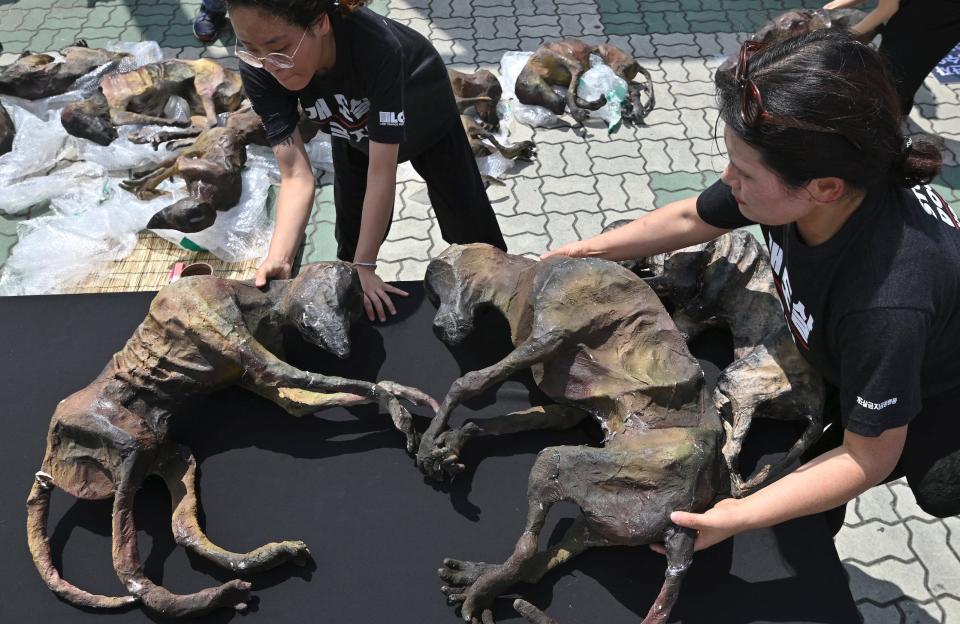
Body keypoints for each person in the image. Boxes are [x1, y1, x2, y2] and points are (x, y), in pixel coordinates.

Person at [544, 29, 960, 552]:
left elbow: (866, 457)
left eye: (742, 171)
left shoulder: (884, 303)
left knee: (798, 513)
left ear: (824, 188)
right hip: (850, 348)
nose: (727, 180)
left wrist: (737, 518)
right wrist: (570, 256)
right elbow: (689, 215)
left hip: (922, 396)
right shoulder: (823, 178)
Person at [224, 0, 506, 321]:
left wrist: (367, 263)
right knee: (352, 236)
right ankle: (351, 284)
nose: (268, 64)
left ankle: (497, 297)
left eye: (280, 48)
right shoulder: (261, 65)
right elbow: (295, 175)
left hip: (424, 108)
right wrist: (280, 257)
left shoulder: (376, 47)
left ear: (321, 23)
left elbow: (382, 170)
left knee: (469, 225)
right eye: (250, 48)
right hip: (352, 128)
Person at [823, 0, 960, 114]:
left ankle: (887, 124)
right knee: (897, 69)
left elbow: (887, 10)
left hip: (939, 15)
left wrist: (842, 36)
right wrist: (829, 9)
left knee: (897, 74)